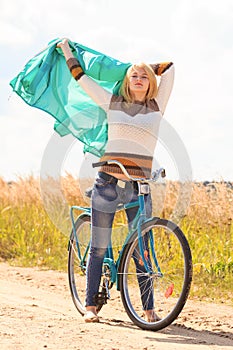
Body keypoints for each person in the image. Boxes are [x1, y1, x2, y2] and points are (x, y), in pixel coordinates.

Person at [57, 38, 174, 323]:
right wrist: (68, 53)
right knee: (99, 246)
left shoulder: (157, 106)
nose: (138, 78)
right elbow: (82, 78)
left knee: (142, 249)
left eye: (144, 76)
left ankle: (148, 310)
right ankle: (90, 306)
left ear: (151, 83)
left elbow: (170, 69)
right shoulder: (113, 103)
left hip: (139, 187)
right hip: (108, 184)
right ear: (125, 81)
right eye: (133, 75)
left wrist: (144, 66)